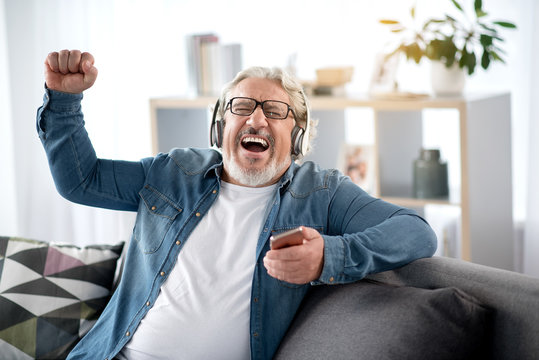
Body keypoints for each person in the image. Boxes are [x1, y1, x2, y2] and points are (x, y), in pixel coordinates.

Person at [37, 49, 437, 360]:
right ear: (220, 126)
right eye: (241, 107)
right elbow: (82, 181)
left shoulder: (323, 193)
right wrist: (64, 101)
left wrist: (329, 257)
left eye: (275, 111)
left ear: (297, 137)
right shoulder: (173, 172)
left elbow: (415, 231)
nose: (256, 120)